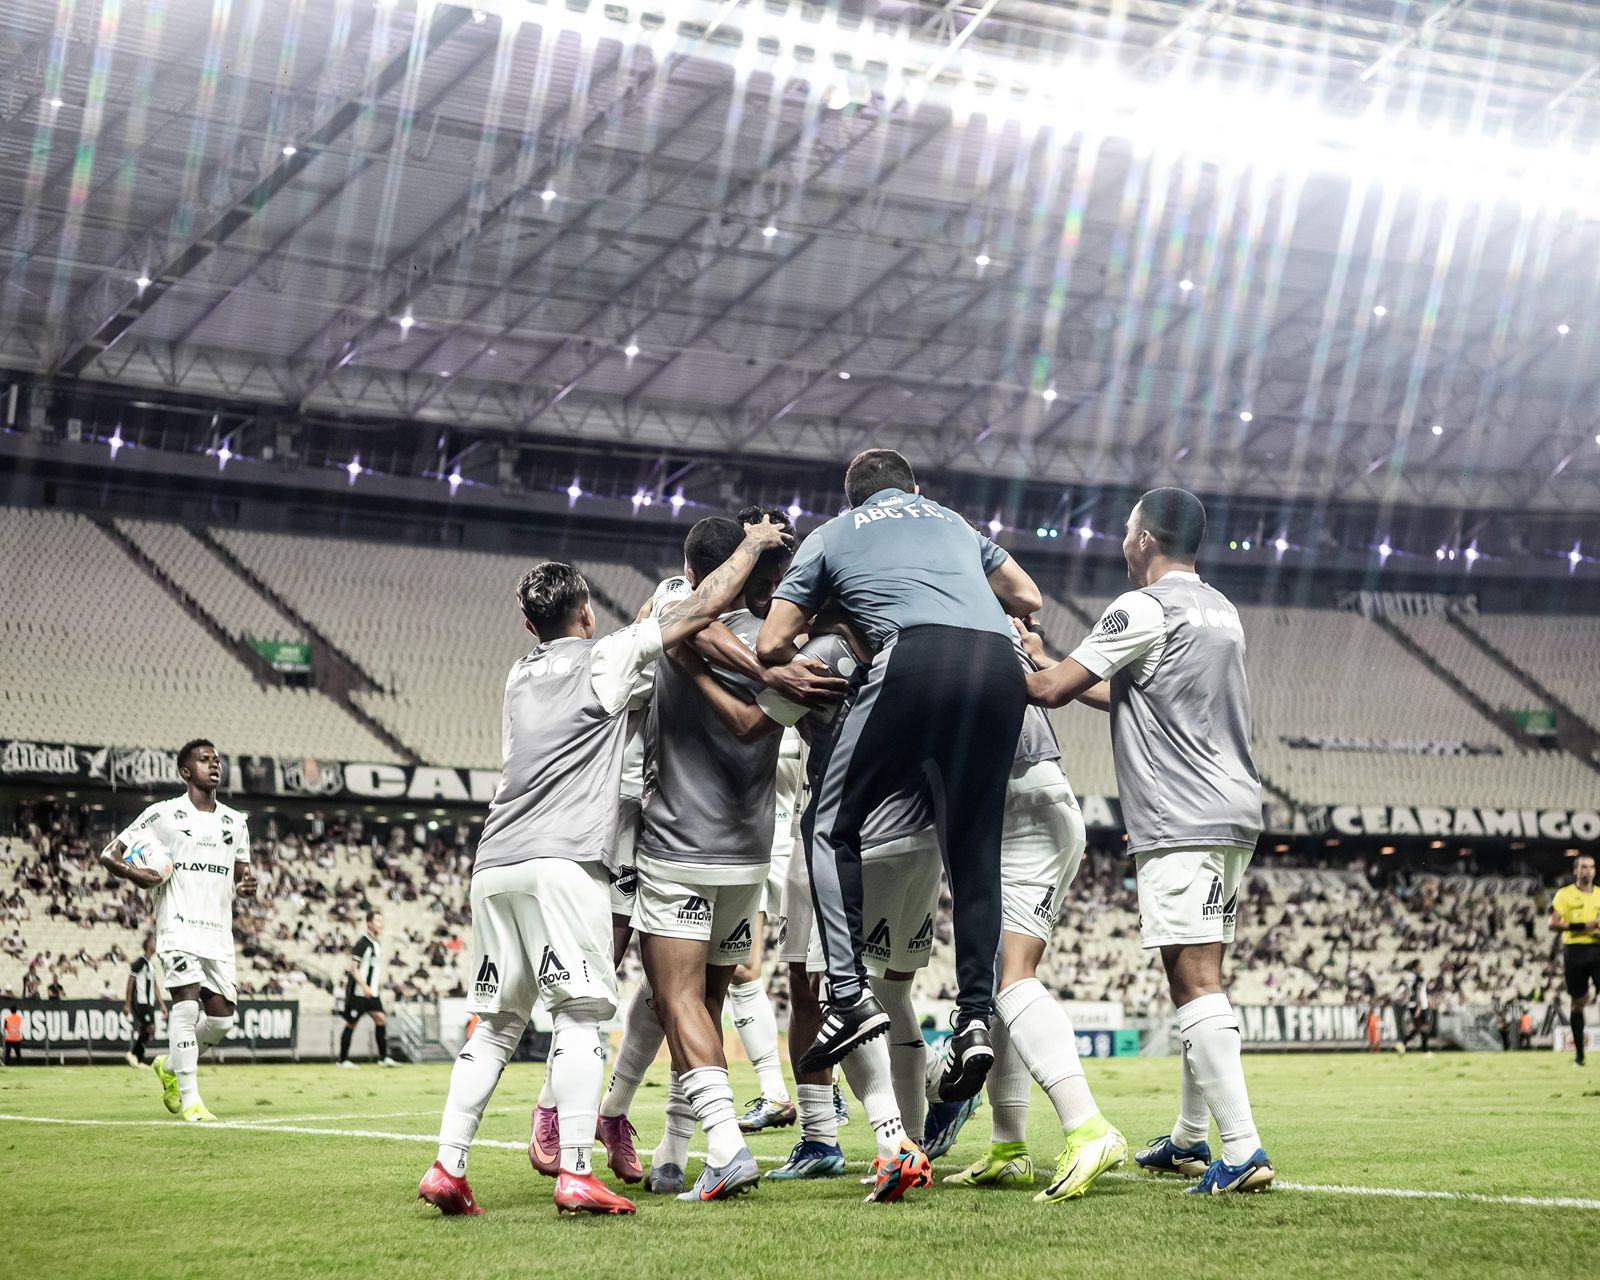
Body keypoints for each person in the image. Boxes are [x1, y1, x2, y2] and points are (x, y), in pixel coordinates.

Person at [416, 515, 790, 1219]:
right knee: (582, 1017)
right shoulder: (606, 658)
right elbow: (700, 609)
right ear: (586, 612)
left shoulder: (516, 675)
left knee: (495, 1025)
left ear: (529, 625)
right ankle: (576, 1172)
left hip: (494, 862)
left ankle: (448, 1166)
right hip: (564, 860)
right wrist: (749, 546)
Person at [756, 449, 1041, 1102]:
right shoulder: (953, 521)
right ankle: (974, 1018)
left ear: (853, 498)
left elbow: (771, 643)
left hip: (912, 657)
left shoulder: (834, 534)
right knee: (973, 850)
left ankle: (849, 997)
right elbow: (1028, 596)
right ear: (914, 487)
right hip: (1000, 666)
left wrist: (833, 612)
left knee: (828, 825)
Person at [1026, 487, 1272, 1195]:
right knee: (1200, 973)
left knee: (1193, 980)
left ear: (1144, 540)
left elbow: (1049, 691)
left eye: (1126, 531)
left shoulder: (1143, 607)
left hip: (1180, 815)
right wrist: (1052, 663)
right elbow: (1138, 693)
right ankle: (1190, 1138)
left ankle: (1243, 1149)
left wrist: (1014, 658)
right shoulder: (1219, 609)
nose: (1122, 543)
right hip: (1232, 809)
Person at [685, 624, 938, 1202]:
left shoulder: (821, 656)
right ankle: (879, 1137)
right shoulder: (912, 644)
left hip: (845, 836)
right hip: (915, 832)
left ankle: (892, 1141)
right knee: (856, 986)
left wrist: (695, 669)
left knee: (836, 989)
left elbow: (748, 723)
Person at [628, 515, 808, 1205]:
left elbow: (678, 615)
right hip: (748, 855)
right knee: (703, 1005)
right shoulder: (784, 644)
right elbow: (753, 720)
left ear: (693, 570)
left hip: (680, 846)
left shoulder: (681, 613)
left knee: (676, 1000)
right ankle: (674, 1155)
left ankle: (728, 1149)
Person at [943, 627, 1125, 1203]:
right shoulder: (982, 619)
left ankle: (1088, 1127)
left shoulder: (958, 625)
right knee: (1003, 978)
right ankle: (1008, 1148)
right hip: (1027, 799)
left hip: (1022, 803)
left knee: (1013, 977)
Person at [99, 739, 256, 1123]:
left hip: (217, 934)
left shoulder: (235, 822)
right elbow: (110, 854)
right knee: (185, 1006)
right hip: (178, 927)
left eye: (216, 760)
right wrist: (138, 875)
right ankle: (191, 1100)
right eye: (204, 760)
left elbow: (242, 875)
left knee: (221, 1021)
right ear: (186, 771)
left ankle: (169, 1066)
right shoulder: (163, 815)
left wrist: (246, 886)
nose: (214, 765)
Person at [1550, 852, 1599, 1066]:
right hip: (1575, 951)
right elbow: (1553, 924)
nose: (1587, 870)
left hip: (1598, 949)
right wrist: (1583, 926)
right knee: (1578, 1002)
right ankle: (1579, 1055)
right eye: (1583, 867)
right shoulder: (1564, 894)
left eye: (1591, 867)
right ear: (1576, 871)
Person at [338, 910, 395, 1068]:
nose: (381, 924)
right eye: (377, 921)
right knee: (351, 1023)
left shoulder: (377, 944)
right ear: (369, 923)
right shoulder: (362, 943)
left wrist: (376, 984)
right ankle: (342, 1060)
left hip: (372, 993)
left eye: (381, 921)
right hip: (359, 992)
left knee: (381, 1019)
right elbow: (353, 968)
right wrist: (363, 985)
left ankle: (383, 1058)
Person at [124, 936, 165, 1068]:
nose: (155, 944)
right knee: (151, 1028)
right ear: (148, 945)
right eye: (153, 942)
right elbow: (130, 982)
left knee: (146, 1030)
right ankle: (133, 1054)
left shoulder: (151, 965)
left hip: (149, 1002)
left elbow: (155, 986)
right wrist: (127, 1003)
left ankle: (137, 1059)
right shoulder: (139, 962)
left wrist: (162, 1004)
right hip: (140, 1001)